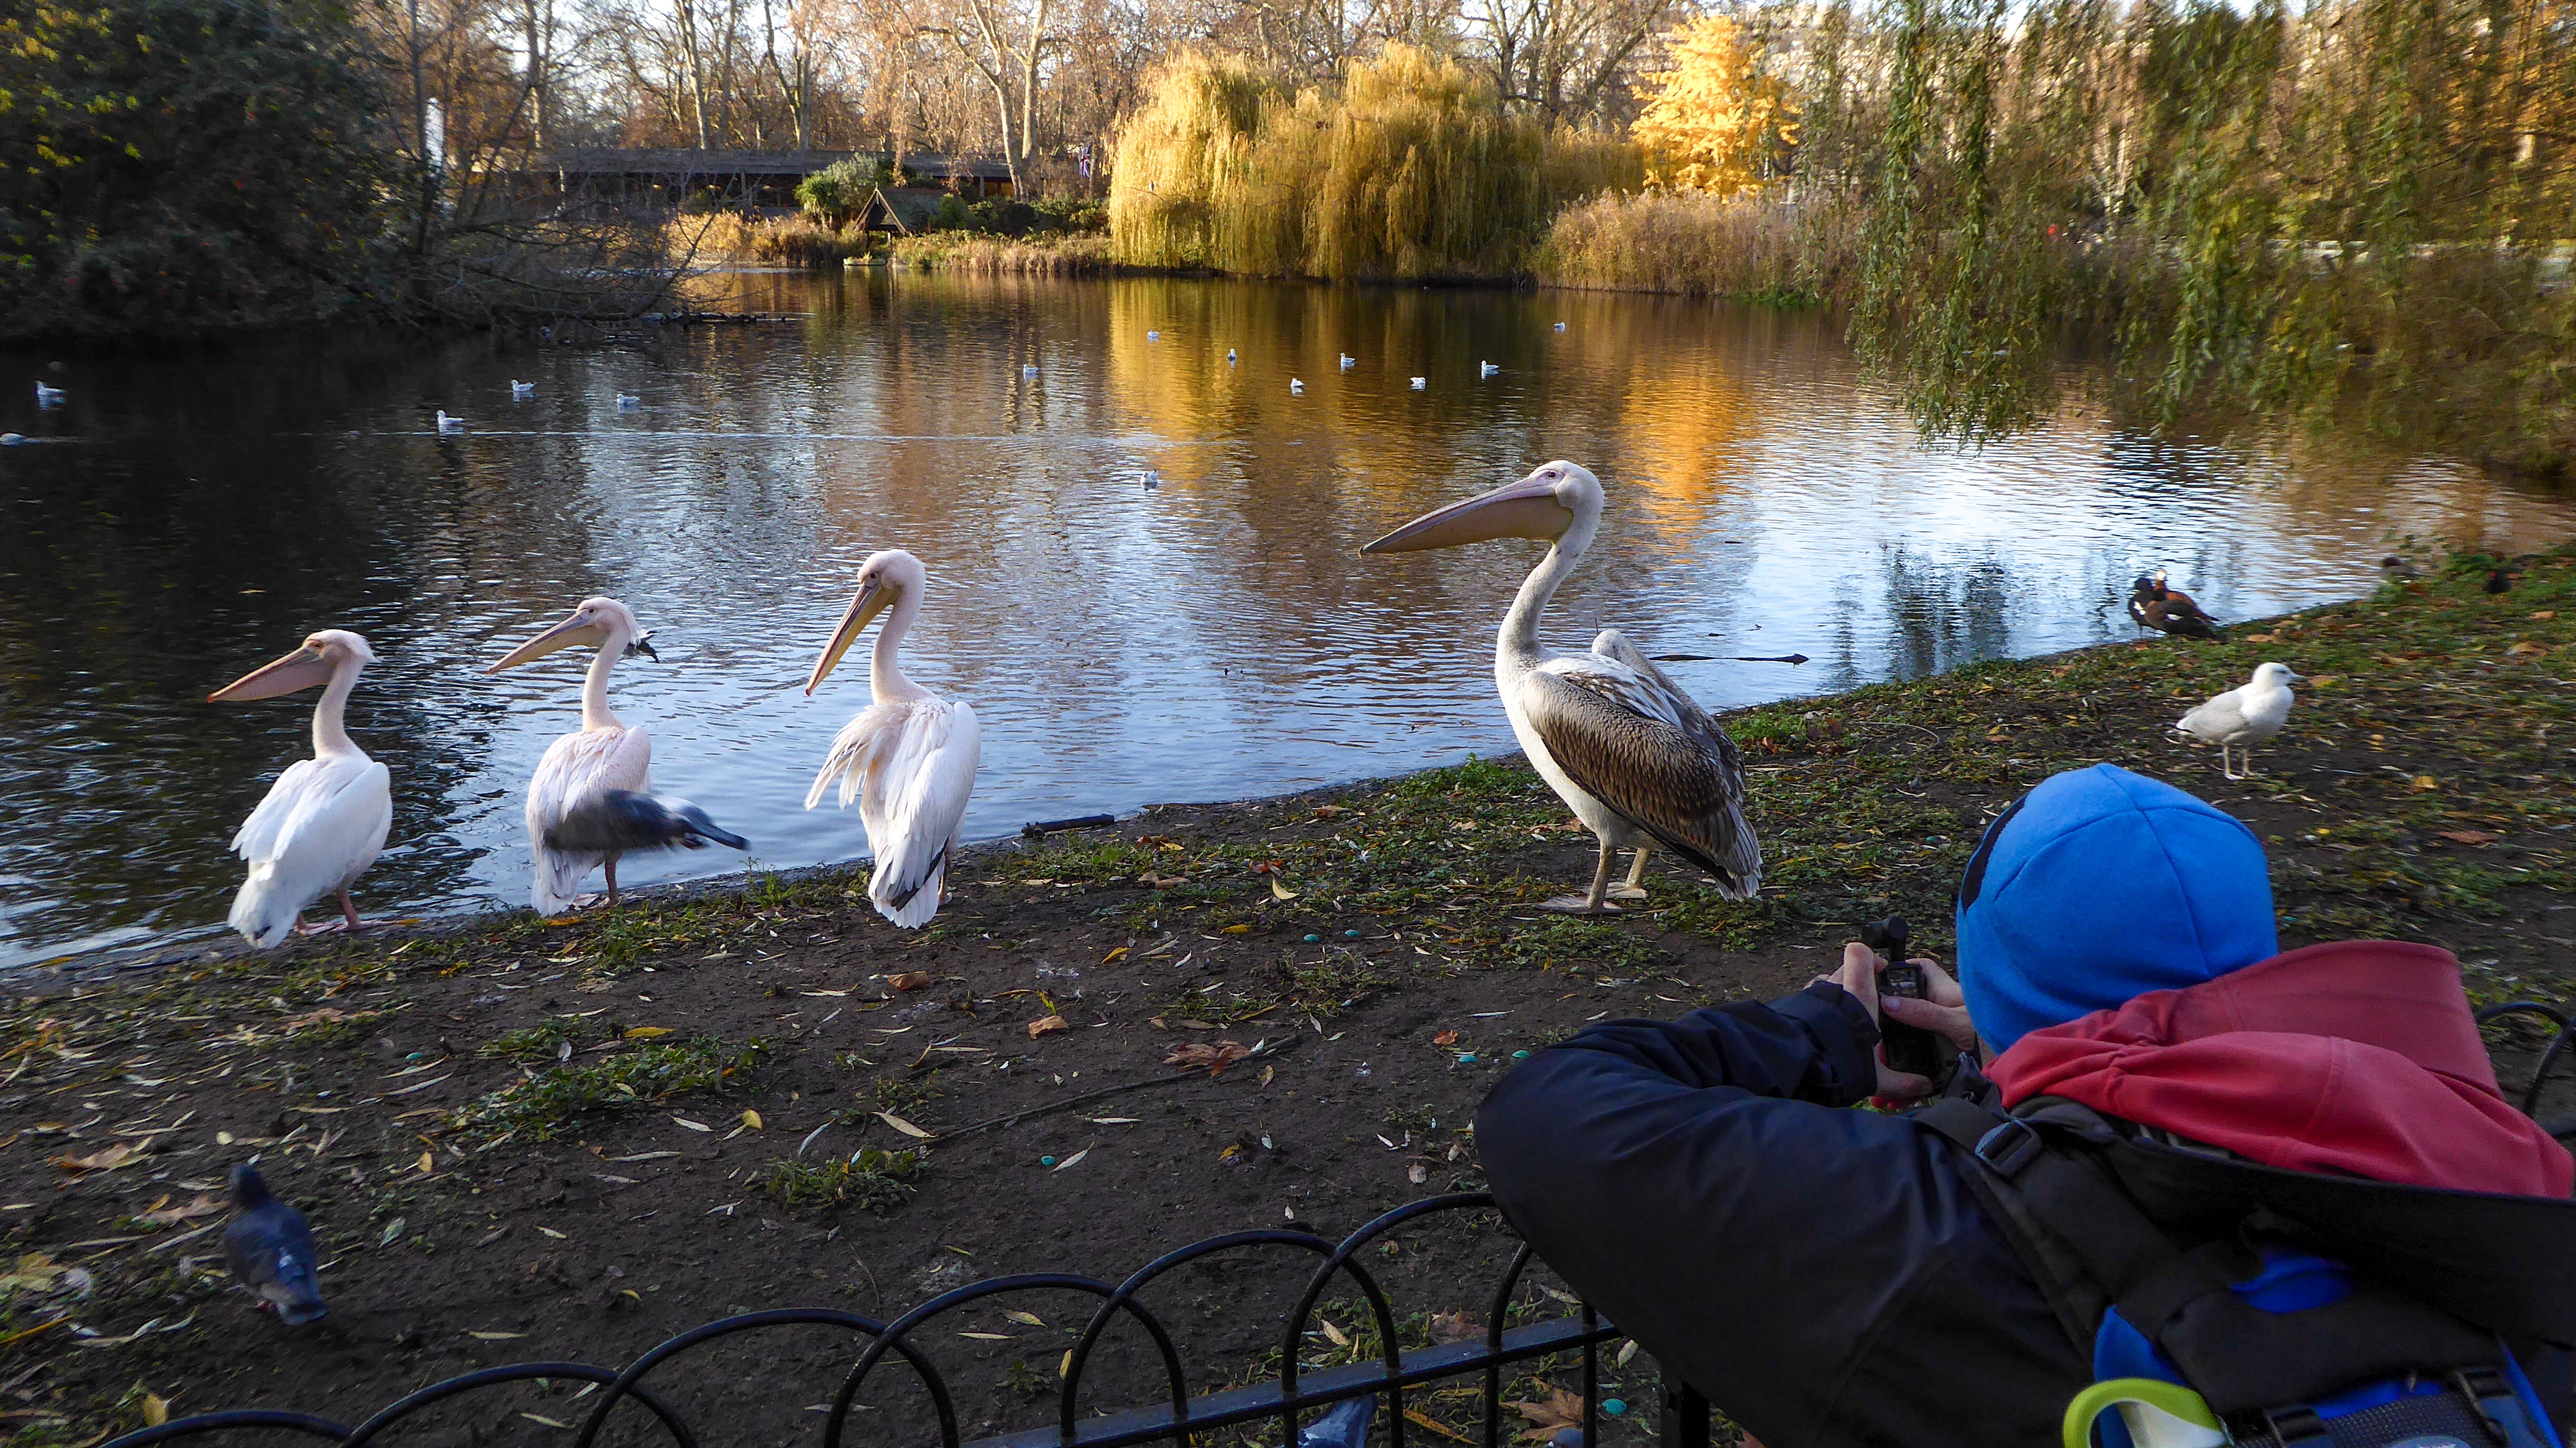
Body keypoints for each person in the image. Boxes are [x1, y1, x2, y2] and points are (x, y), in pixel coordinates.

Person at [1476, 763, 2573, 1448]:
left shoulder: (1930, 1241)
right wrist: (2019, 1066)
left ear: (1996, 977)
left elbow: (1542, 1113)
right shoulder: (2485, 1178)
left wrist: (1824, 1031)